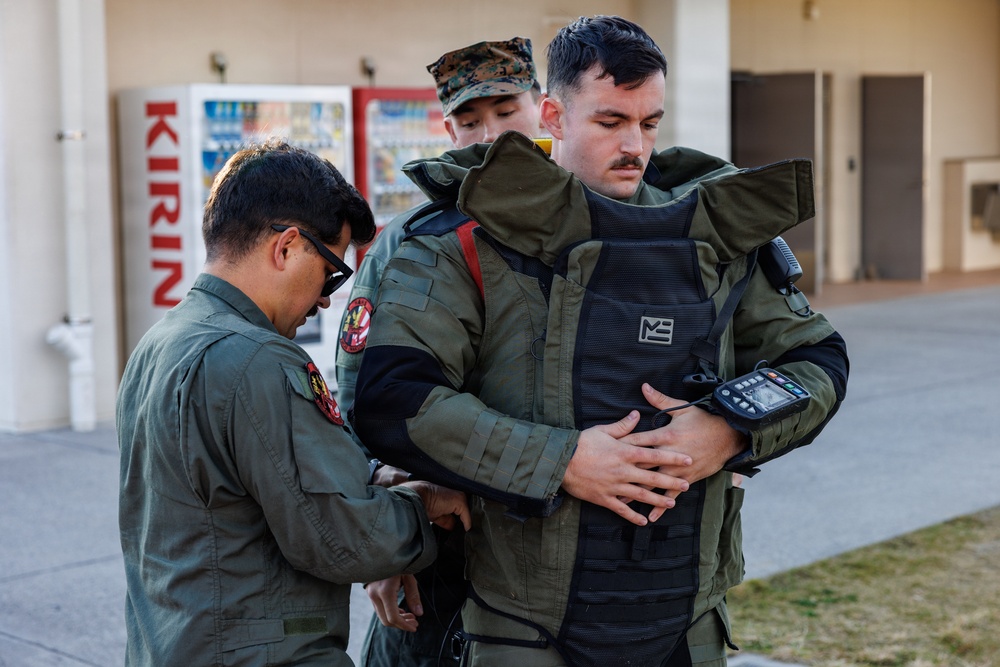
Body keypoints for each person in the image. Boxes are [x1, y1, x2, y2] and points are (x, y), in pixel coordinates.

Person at [353, 15, 849, 667]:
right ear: (556, 116)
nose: (635, 146)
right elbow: (386, 400)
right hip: (509, 614)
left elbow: (815, 361)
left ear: (534, 111)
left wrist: (726, 427)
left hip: (680, 613)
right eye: (611, 122)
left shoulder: (709, 237)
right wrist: (562, 460)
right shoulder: (454, 240)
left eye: (649, 124)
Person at [116, 140, 470, 667]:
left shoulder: (162, 340)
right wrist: (426, 504)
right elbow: (340, 537)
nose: (327, 299)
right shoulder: (259, 359)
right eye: (331, 273)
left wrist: (372, 480)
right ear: (286, 247)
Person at [336, 37, 542, 667]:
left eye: (507, 111)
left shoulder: (591, 222)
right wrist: (384, 543)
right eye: (470, 121)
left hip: (550, 552)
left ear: (544, 108)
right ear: (447, 129)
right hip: (443, 544)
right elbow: (360, 399)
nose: (490, 134)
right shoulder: (410, 242)